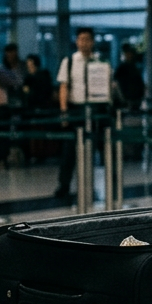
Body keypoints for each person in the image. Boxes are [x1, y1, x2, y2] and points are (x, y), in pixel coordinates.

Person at [54, 28, 102, 199]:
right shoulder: (69, 62)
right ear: (76, 41)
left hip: (94, 110)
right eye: (81, 39)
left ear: (93, 41)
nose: (84, 43)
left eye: (87, 39)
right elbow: (63, 87)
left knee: (92, 149)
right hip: (75, 109)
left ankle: (88, 185)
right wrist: (64, 111)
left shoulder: (99, 62)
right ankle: (64, 185)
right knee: (69, 152)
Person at [114, 44, 145, 111]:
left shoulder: (135, 67)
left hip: (135, 98)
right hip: (127, 98)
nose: (128, 56)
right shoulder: (122, 67)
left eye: (129, 54)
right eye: (127, 54)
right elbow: (116, 82)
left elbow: (140, 84)